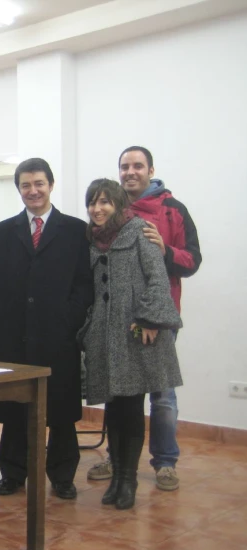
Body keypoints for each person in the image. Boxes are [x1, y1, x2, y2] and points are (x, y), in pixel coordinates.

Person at [87, 146, 202, 492]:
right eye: (125, 166)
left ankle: (165, 461)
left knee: (161, 395)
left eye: (138, 165)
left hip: (154, 320)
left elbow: (192, 260)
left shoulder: (171, 210)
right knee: (117, 392)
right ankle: (118, 460)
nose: (130, 171)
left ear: (151, 169)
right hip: (112, 321)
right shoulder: (106, 218)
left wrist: (165, 251)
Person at [0, 158, 93, 500]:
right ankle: (14, 472)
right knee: (15, 409)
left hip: (58, 337)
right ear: (19, 189)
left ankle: (62, 475)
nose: (33, 191)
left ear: (51, 185)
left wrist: (69, 317)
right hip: (12, 337)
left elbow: (83, 284)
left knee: (59, 411)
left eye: (39, 183)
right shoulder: (0, 232)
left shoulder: (75, 230)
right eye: (26, 185)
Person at [80, 178, 182, 509]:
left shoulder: (140, 230)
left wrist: (151, 320)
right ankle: (118, 475)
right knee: (115, 406)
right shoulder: (91, 239)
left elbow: (157, 277)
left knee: (133, 407)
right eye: (93, 202)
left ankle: (129, 480)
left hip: (137, 333)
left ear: (119, 205)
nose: (98, 209)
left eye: (105, 202)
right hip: (106, 335)